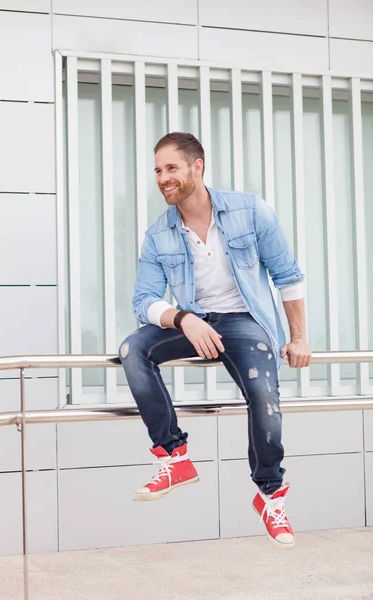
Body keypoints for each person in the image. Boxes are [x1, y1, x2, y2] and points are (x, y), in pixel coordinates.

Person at [119, 132, 311, 550]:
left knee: (263, 395)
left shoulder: (250, 210)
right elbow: (144, 300)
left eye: (171, 168)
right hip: (195, 322)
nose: (163, 178)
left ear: (197, 166)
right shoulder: (158, 235)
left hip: (246, 321)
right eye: (157, 171)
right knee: (133, 349)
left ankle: (270, 495)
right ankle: (174, 457)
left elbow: (288, 275)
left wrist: (298, 338)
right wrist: (184, 319)